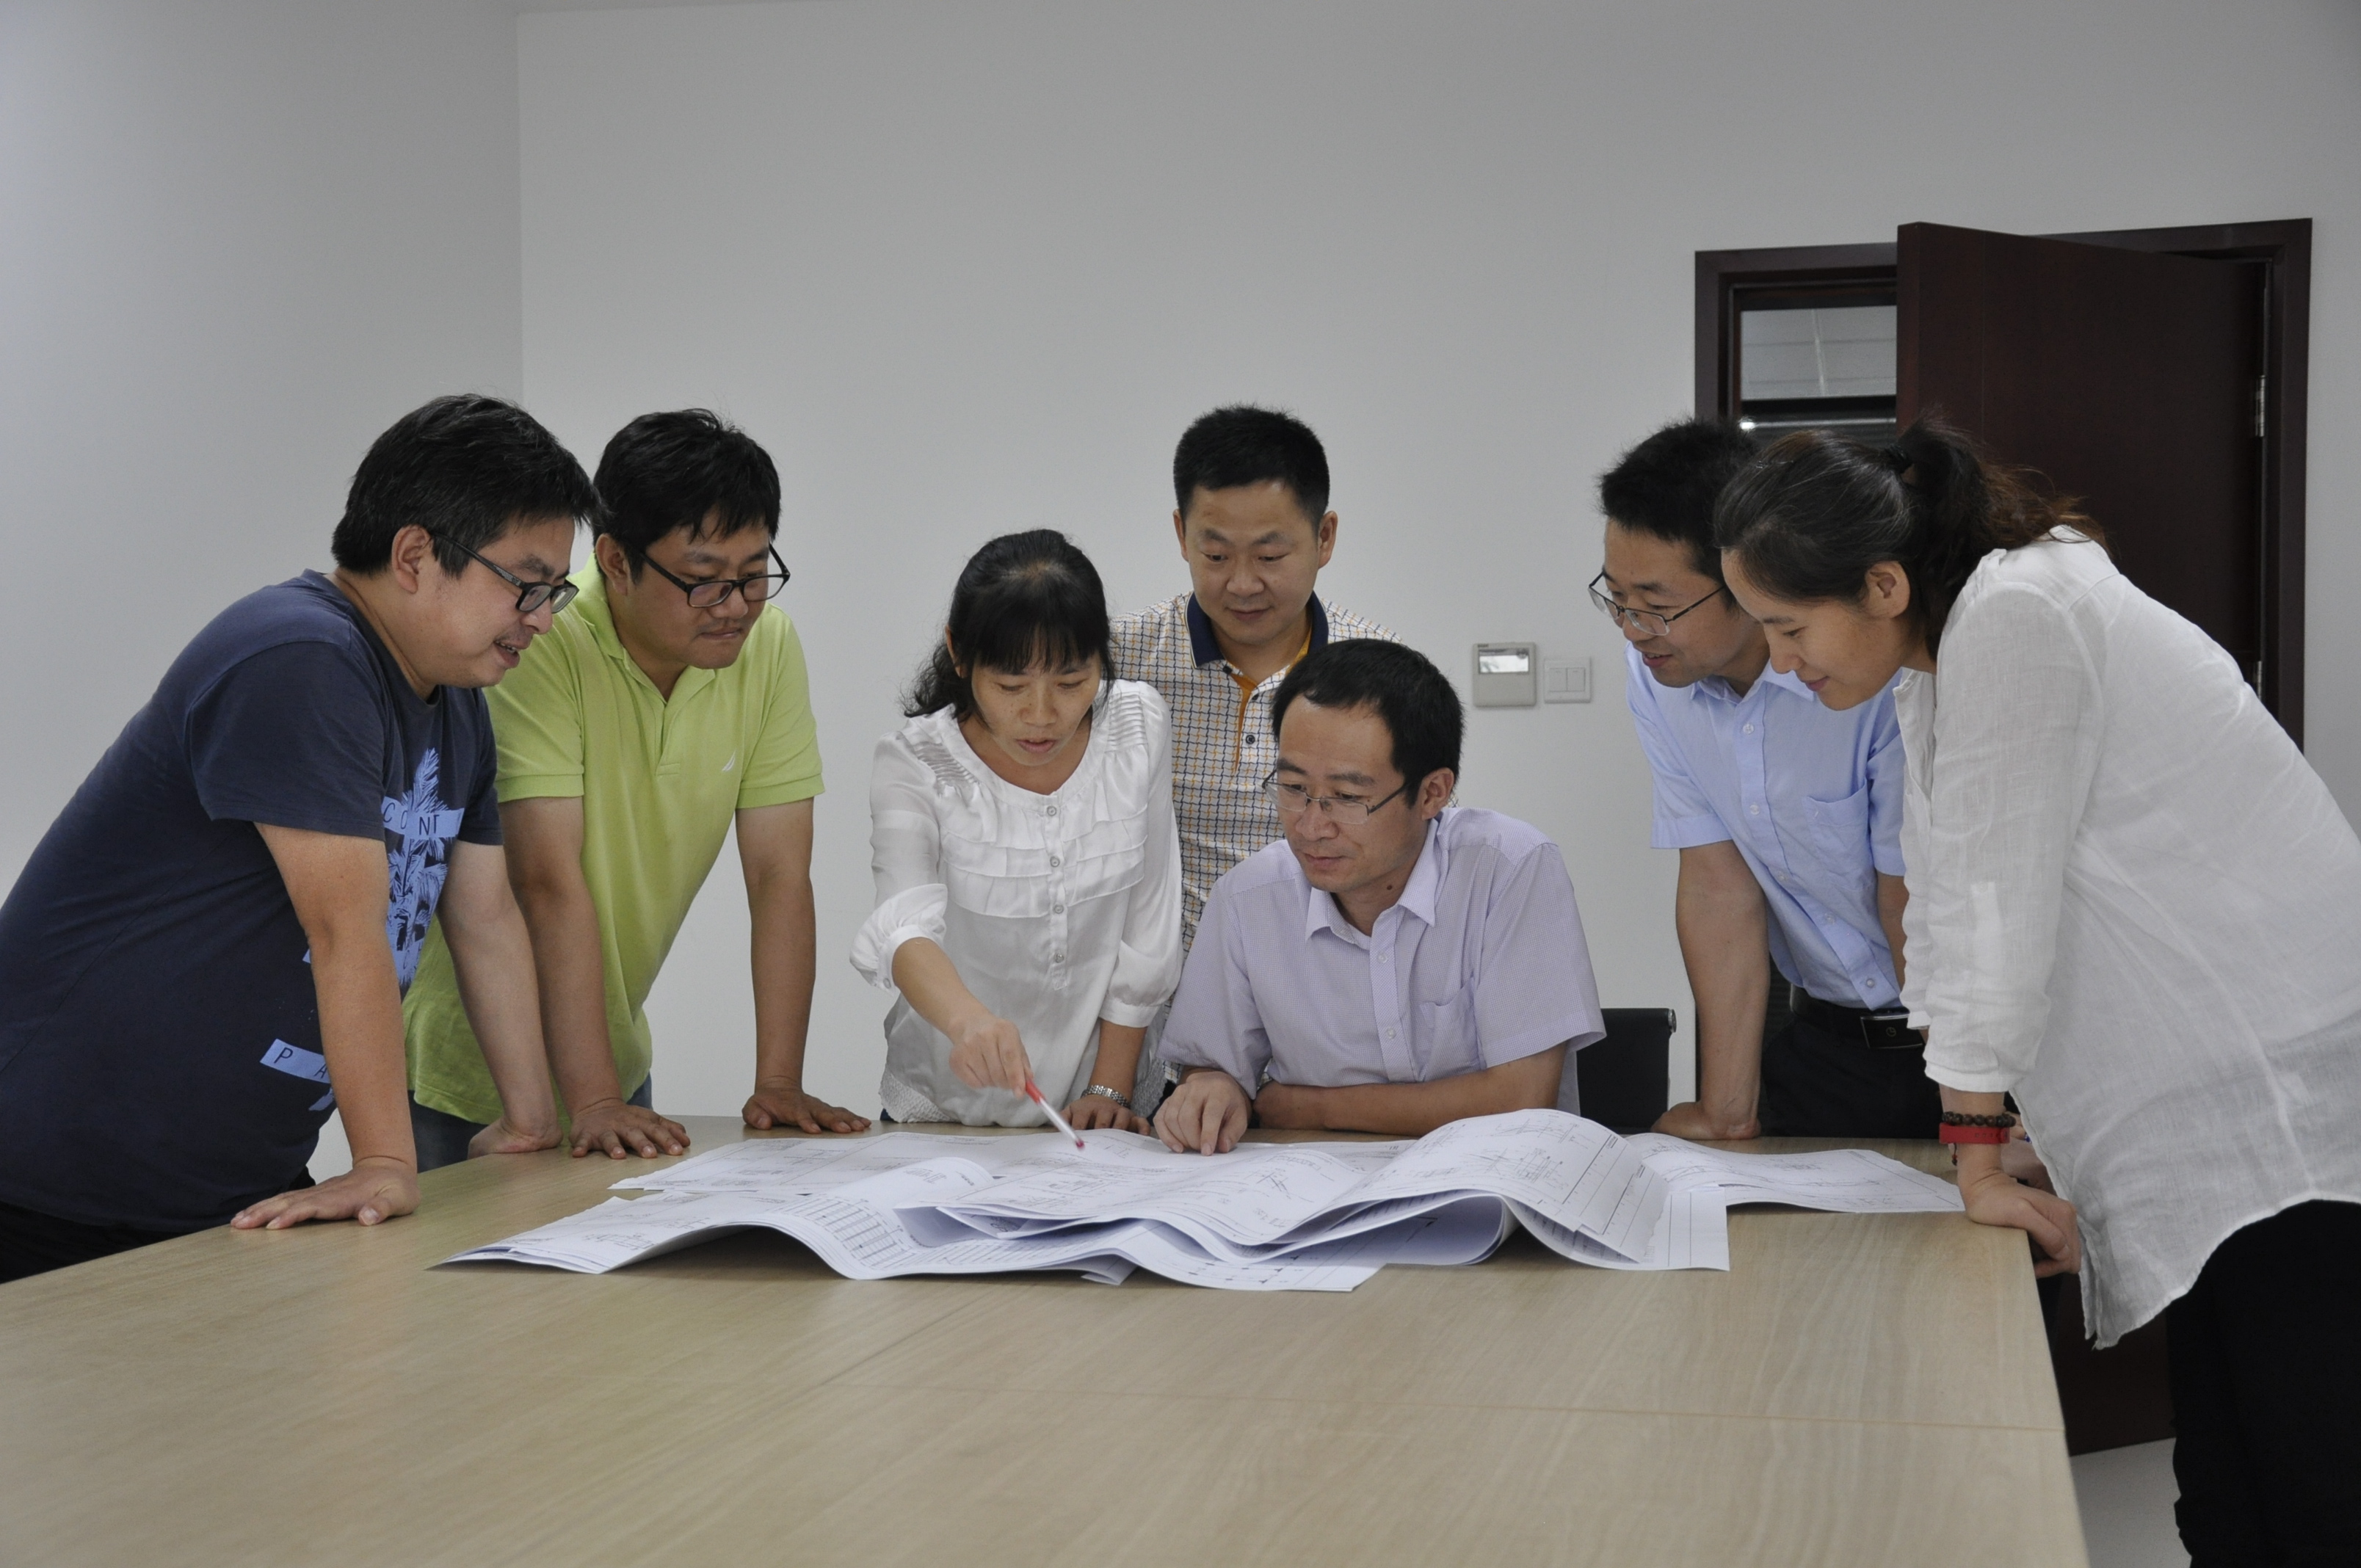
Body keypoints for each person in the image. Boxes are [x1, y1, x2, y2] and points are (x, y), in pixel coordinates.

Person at [1715, 418, 2361, 1563]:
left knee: (2308, 1485)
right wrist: (2006, 1130)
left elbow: (1997, 912)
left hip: (2284, 1096)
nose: (1779, 662)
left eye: (1788, 626)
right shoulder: (1943, 655)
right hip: (2226, 1093)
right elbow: (1949, 904)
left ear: (1883, 585)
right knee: (2229, 1484)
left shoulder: (2019, 618)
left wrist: (1973, 1150)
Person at [0, 395, 592, 1281]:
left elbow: (486, 919)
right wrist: (386, 1160)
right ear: (414, 556)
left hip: (224, 1189)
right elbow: (345, 930)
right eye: (526, 583)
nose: (543, 617)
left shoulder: (459, 707)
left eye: (555, 591)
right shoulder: (301, 656)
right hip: (52, 1185)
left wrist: (530, 1117)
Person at [404, 410, 864, 1171]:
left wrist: (779, 1083)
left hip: (615, 1065)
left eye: (754, 575)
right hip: (474, 1074)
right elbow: (545, 880)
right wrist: (591, 1101)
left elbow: (780, 875)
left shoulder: (767, 647)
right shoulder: (543, 641)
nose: (736, 605)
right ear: (616, 560)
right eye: (704, 580)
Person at [1594, 418, 1924, 1141]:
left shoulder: (1872, 677)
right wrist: (1725, 1109)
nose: (1632, 628)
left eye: (1658, 605)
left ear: (1747, 577)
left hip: (1961, 1042)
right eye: (1616, 597)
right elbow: (1719, 886)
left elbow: (1910, 899)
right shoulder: (1655, 680)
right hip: (1826, 1047)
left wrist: (1977, 1109)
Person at [1156, 639, 1604, 1153]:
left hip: (1491, 1178)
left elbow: (1520, 1098)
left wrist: (1311, 1108)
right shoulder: (1247, 897)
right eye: (1294, 788)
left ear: (1432, 793)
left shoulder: (1509, 868)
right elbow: (1210, 1069)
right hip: (1312, 1188)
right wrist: (1213, 1090)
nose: (1312, 826)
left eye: (1348, 798)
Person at [852, 531, 1182, 1130]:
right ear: (959, 655)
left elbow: (1148, 926)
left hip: (1102, 1104)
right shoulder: (915, 763)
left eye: (1071, 682)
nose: (1041, 714)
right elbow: (903, 927)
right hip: (946, 1108)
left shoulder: (1137, 727)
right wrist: (967, 1021)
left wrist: (1109, 1089)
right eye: (1010, 687)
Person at [1112, 405, 1395, 951]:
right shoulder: (1120, 663)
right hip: (1159, 993)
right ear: (1181, 534)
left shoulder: (1381, 673)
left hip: (1328, 983)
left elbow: (1420, 846)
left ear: (1325, 537)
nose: (1242, 584)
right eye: (1216, 555)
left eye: (1270, 555)